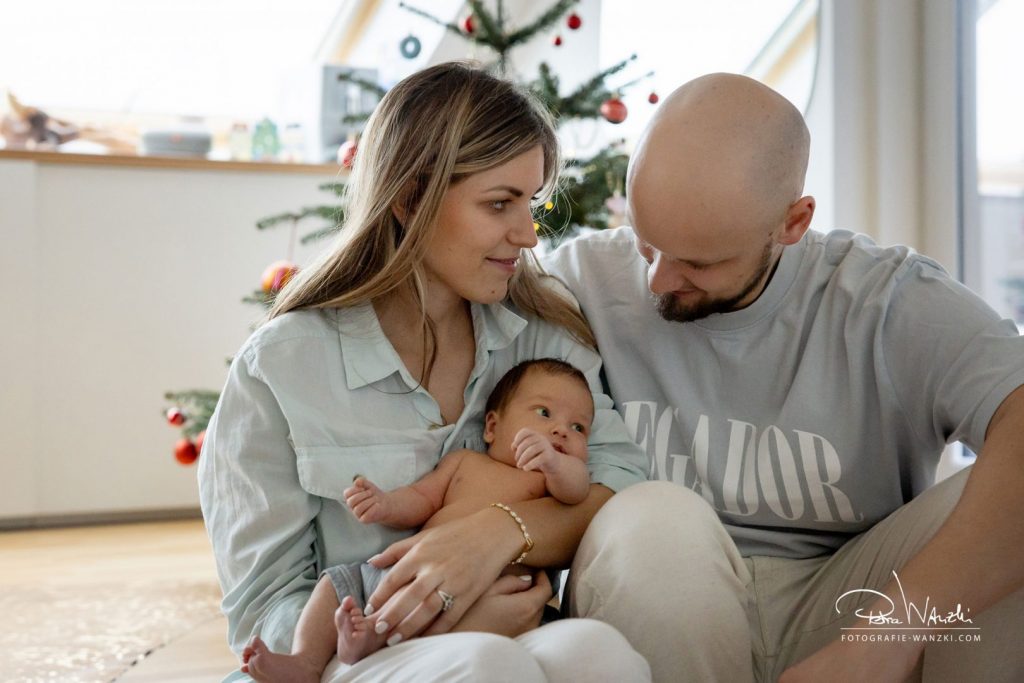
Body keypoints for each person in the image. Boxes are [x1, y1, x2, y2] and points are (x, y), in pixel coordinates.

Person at [543, 72, 1024, 683]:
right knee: (653, 516)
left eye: (698, 262)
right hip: (661, 608)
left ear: (793, 223)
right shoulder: (578, 281)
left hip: (851, 605)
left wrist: (887, 639)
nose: (659, 282)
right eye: (646, 243)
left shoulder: (887, 300)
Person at [198, 61, 651, 683]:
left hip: (516, 628)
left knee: (600, 653)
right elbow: (263, 604)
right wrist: (431, 625)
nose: (528, 234)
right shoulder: (282, 364)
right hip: (348, 658)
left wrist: (497, 536)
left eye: (533, 204)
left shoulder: (543, 339)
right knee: (484, 662)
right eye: (500, 204)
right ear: (411, 197)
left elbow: (622, 491)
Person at [241, 358, 596, 681]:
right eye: (544, 413)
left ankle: (373, 642)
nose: (562, 431)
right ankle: (306, 660)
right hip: (409, 569)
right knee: (335, 584)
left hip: (492, 592)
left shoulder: (550, 480)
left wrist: (555, 464)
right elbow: (422, 499)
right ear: (492, 426)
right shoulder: (464, 463)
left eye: (579, 427)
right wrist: (384, 503)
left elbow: (577, 492)